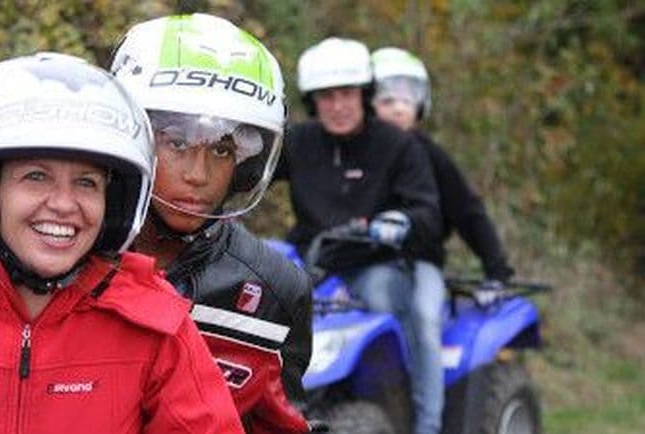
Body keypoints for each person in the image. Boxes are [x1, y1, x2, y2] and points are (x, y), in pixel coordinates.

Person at [0, 52, 243, 434]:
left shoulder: (152, 323)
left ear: (114, 203)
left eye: (86, 183)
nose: (64, 204)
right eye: (36, 177)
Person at [109, 13, 313, 434]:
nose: (198, 175)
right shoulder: (65, 257)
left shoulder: (274, 288)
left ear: (244, 164)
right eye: (177, 142)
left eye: (222, 150)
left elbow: (283, 420)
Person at [274, 37, 444, 434]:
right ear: (312, 101)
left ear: (364, 94)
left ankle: (424, 422)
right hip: (312, 258)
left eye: (346, 94)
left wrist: (400, 221)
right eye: (325, 96)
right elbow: (251, 174)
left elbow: (427, 210)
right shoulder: (300, 142)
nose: (337, 105)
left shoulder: (397, 145)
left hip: (374, 262)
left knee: (400, 306)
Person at [370, 47, 515, 302]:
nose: (398, 109)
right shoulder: (353, 151)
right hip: (357, 263)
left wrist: (496, 272)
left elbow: (468, 211)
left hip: (418, 262)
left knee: (425, 318)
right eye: (387, 100)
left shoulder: (430, 155)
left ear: (421, 104)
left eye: (407, 100)